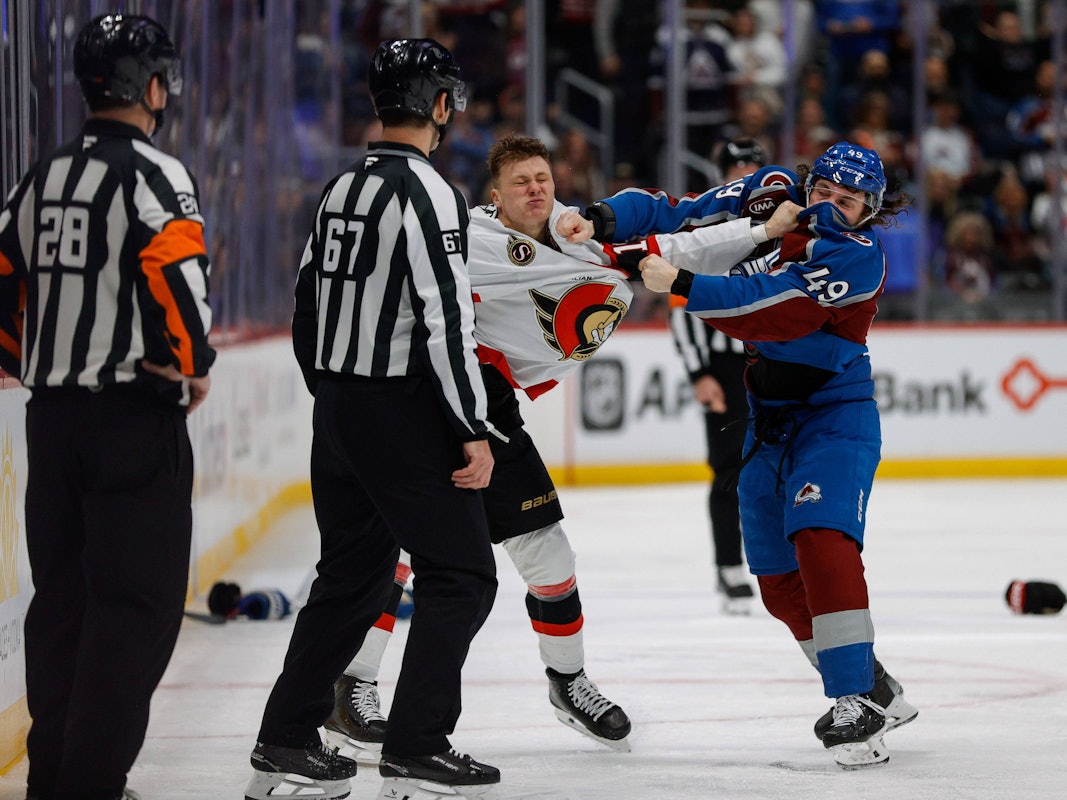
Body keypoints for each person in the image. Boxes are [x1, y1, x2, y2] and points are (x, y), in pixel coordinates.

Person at [559, 142, 919, 769]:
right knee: (778, 584)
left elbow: (772, 314)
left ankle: (855, 699)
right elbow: (678, 212)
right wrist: (601, 219)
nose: (833, 208)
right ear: (809, 186)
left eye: (850, 202)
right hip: (766, 421)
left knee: (821, 534)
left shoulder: (858, 259)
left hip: (835, 415)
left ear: (871, 213)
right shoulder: (770, 194)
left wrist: (683, 285)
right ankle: (875, 683)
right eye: (826, 193)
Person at [325, 135, 636, 760]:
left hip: (491, 409)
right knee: (401, 556)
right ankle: (352, 687)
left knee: (551, 558)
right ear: (496, 196)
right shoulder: (466, 236)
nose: (537, 189)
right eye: (521, 181)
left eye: (543, 178)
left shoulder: (581, 252)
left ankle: (568, 681)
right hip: (427, 405)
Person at [248, 39, 500, 800]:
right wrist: (470, 427)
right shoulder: (428, 191)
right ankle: (417, 744)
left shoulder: (340, 187)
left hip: (342, 409)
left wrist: (332, 396)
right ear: (440, 106)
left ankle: (286, 736)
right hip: (398, 411)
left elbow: (304, 304)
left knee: (351, 578)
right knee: (461, 574)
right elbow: (445, 321)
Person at [0, 14, 214, 800]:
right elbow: (179, 284)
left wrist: (20, 356)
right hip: (131, 420)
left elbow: (0, 270)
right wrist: (193, 365)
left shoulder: (42, 175)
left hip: (51, 422)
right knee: (137, 609)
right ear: (147, 84)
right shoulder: (157, 174)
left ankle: (53, 774)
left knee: (63, 601)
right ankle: (88, 784)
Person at [672, 138, 769, 613]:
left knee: (775, 462)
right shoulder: (706, 226)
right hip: (724, 367)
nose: (745, 172)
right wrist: (698, 374)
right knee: (729, 468)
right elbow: (680, 303)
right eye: (737, 166)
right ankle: (730, 568)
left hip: (767, 360)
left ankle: (773, 563)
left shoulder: (778, 223)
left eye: (752, 165)